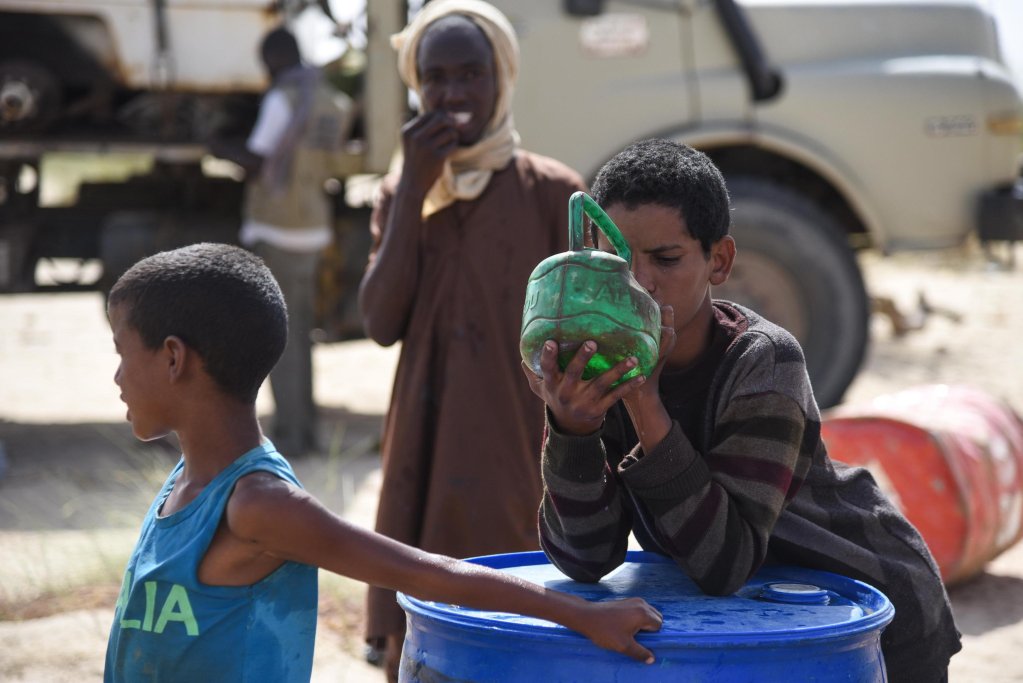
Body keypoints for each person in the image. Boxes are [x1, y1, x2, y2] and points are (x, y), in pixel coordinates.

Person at [102, 242, 662, 682]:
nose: (118, 377)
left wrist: (586, 617)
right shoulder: (183, 483)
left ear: (174, 357)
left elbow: (425, 573)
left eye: (122, 354)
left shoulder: (258, 505)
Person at [524, 139, 962, 682]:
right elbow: (585, 562)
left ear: (720, 261)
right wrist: (573, 430)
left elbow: (725, 561)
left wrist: (645, 401)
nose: (639, 281)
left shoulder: (763, 360)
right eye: (617, 258)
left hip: (866, 608)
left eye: (666, 259)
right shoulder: (606, 359)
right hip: (757, 620)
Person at [357, 1, 587, 675]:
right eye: (435, 78)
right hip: (420, 447)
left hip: (517, 443)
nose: (452, 94)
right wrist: (411, 192)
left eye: (470, 74)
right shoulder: (404, 191)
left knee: (515, 607)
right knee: (421, 612)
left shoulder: (552, 193)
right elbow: (377, 322)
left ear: (503, 78)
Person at [211, 26, 352, 456]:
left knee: (279, 340)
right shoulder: (333, 102)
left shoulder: (281, 99)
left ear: (272, 58)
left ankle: (291, 435)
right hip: (313, 224)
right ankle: (304, 429)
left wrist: (218, 146)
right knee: (300, 336)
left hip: (278, 227)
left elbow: (258, 159)